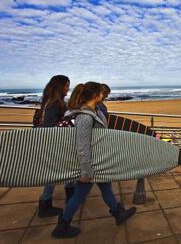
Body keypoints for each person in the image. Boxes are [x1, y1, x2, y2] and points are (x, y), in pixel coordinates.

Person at [52, 82, 136, 239]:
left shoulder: (94, 110)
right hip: (90, 164)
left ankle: (119, 213)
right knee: (79, 194)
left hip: (98, 162)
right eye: (101, 93)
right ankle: (61, 227)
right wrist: (86, 170)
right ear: (96, 95)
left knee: (106, 188)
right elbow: (82, 145)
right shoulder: (84, 116)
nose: (103, 95)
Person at [37, 75, 75, 218]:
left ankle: (47, 203)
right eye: (66, 86)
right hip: (56, 144)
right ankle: (49, 204)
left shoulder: (50, 102)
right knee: (61, 172)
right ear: (60, 87)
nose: (68, 88)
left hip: (54, 144)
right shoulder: (54, 103)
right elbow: (49, 127)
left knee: (56, 173)